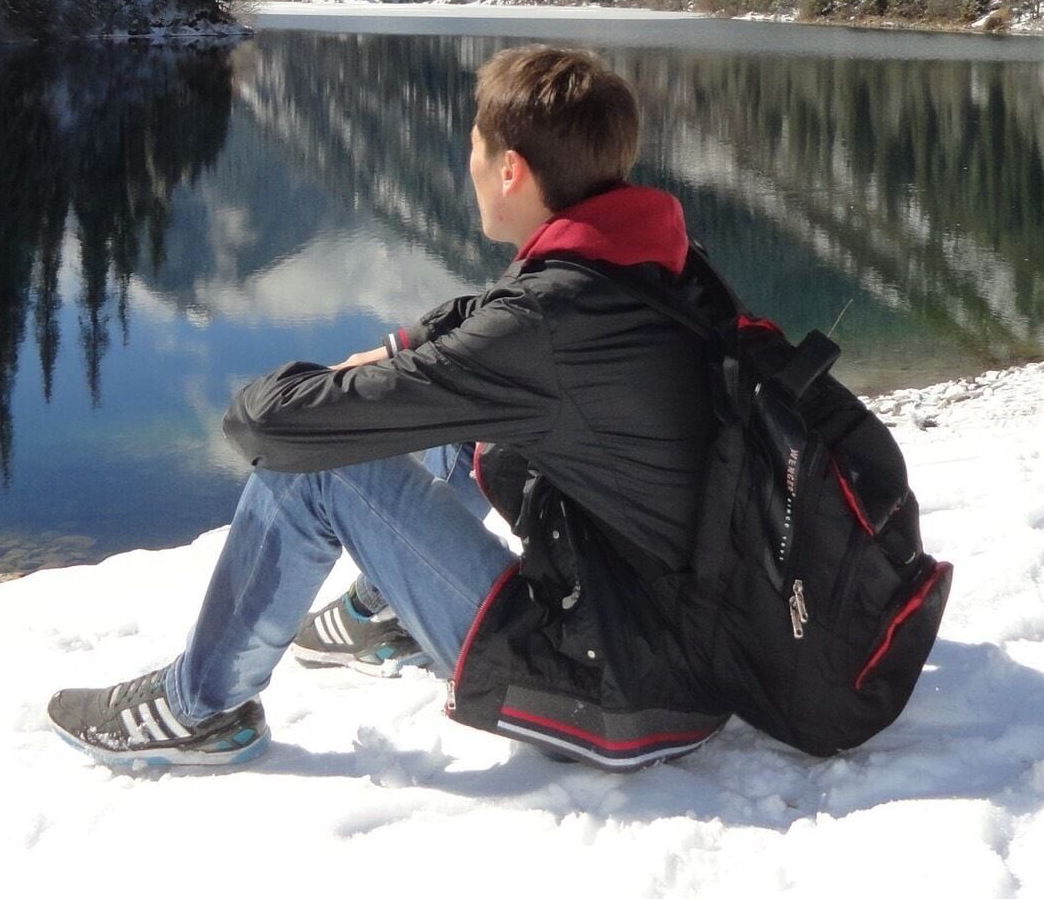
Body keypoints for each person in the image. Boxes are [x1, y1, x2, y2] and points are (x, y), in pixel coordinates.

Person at [45, 45, 730, 772]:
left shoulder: (543, 329)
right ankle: (380, 615)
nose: (467, 163)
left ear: (510, 171)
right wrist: (405, 347)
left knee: (317, 471)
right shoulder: (664, 270)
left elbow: (278, 425)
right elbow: (500, 321)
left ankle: (198, 707)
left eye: (474, 144)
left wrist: (273, 395)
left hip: (611, 694)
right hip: (690, 660)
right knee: (474, 431)